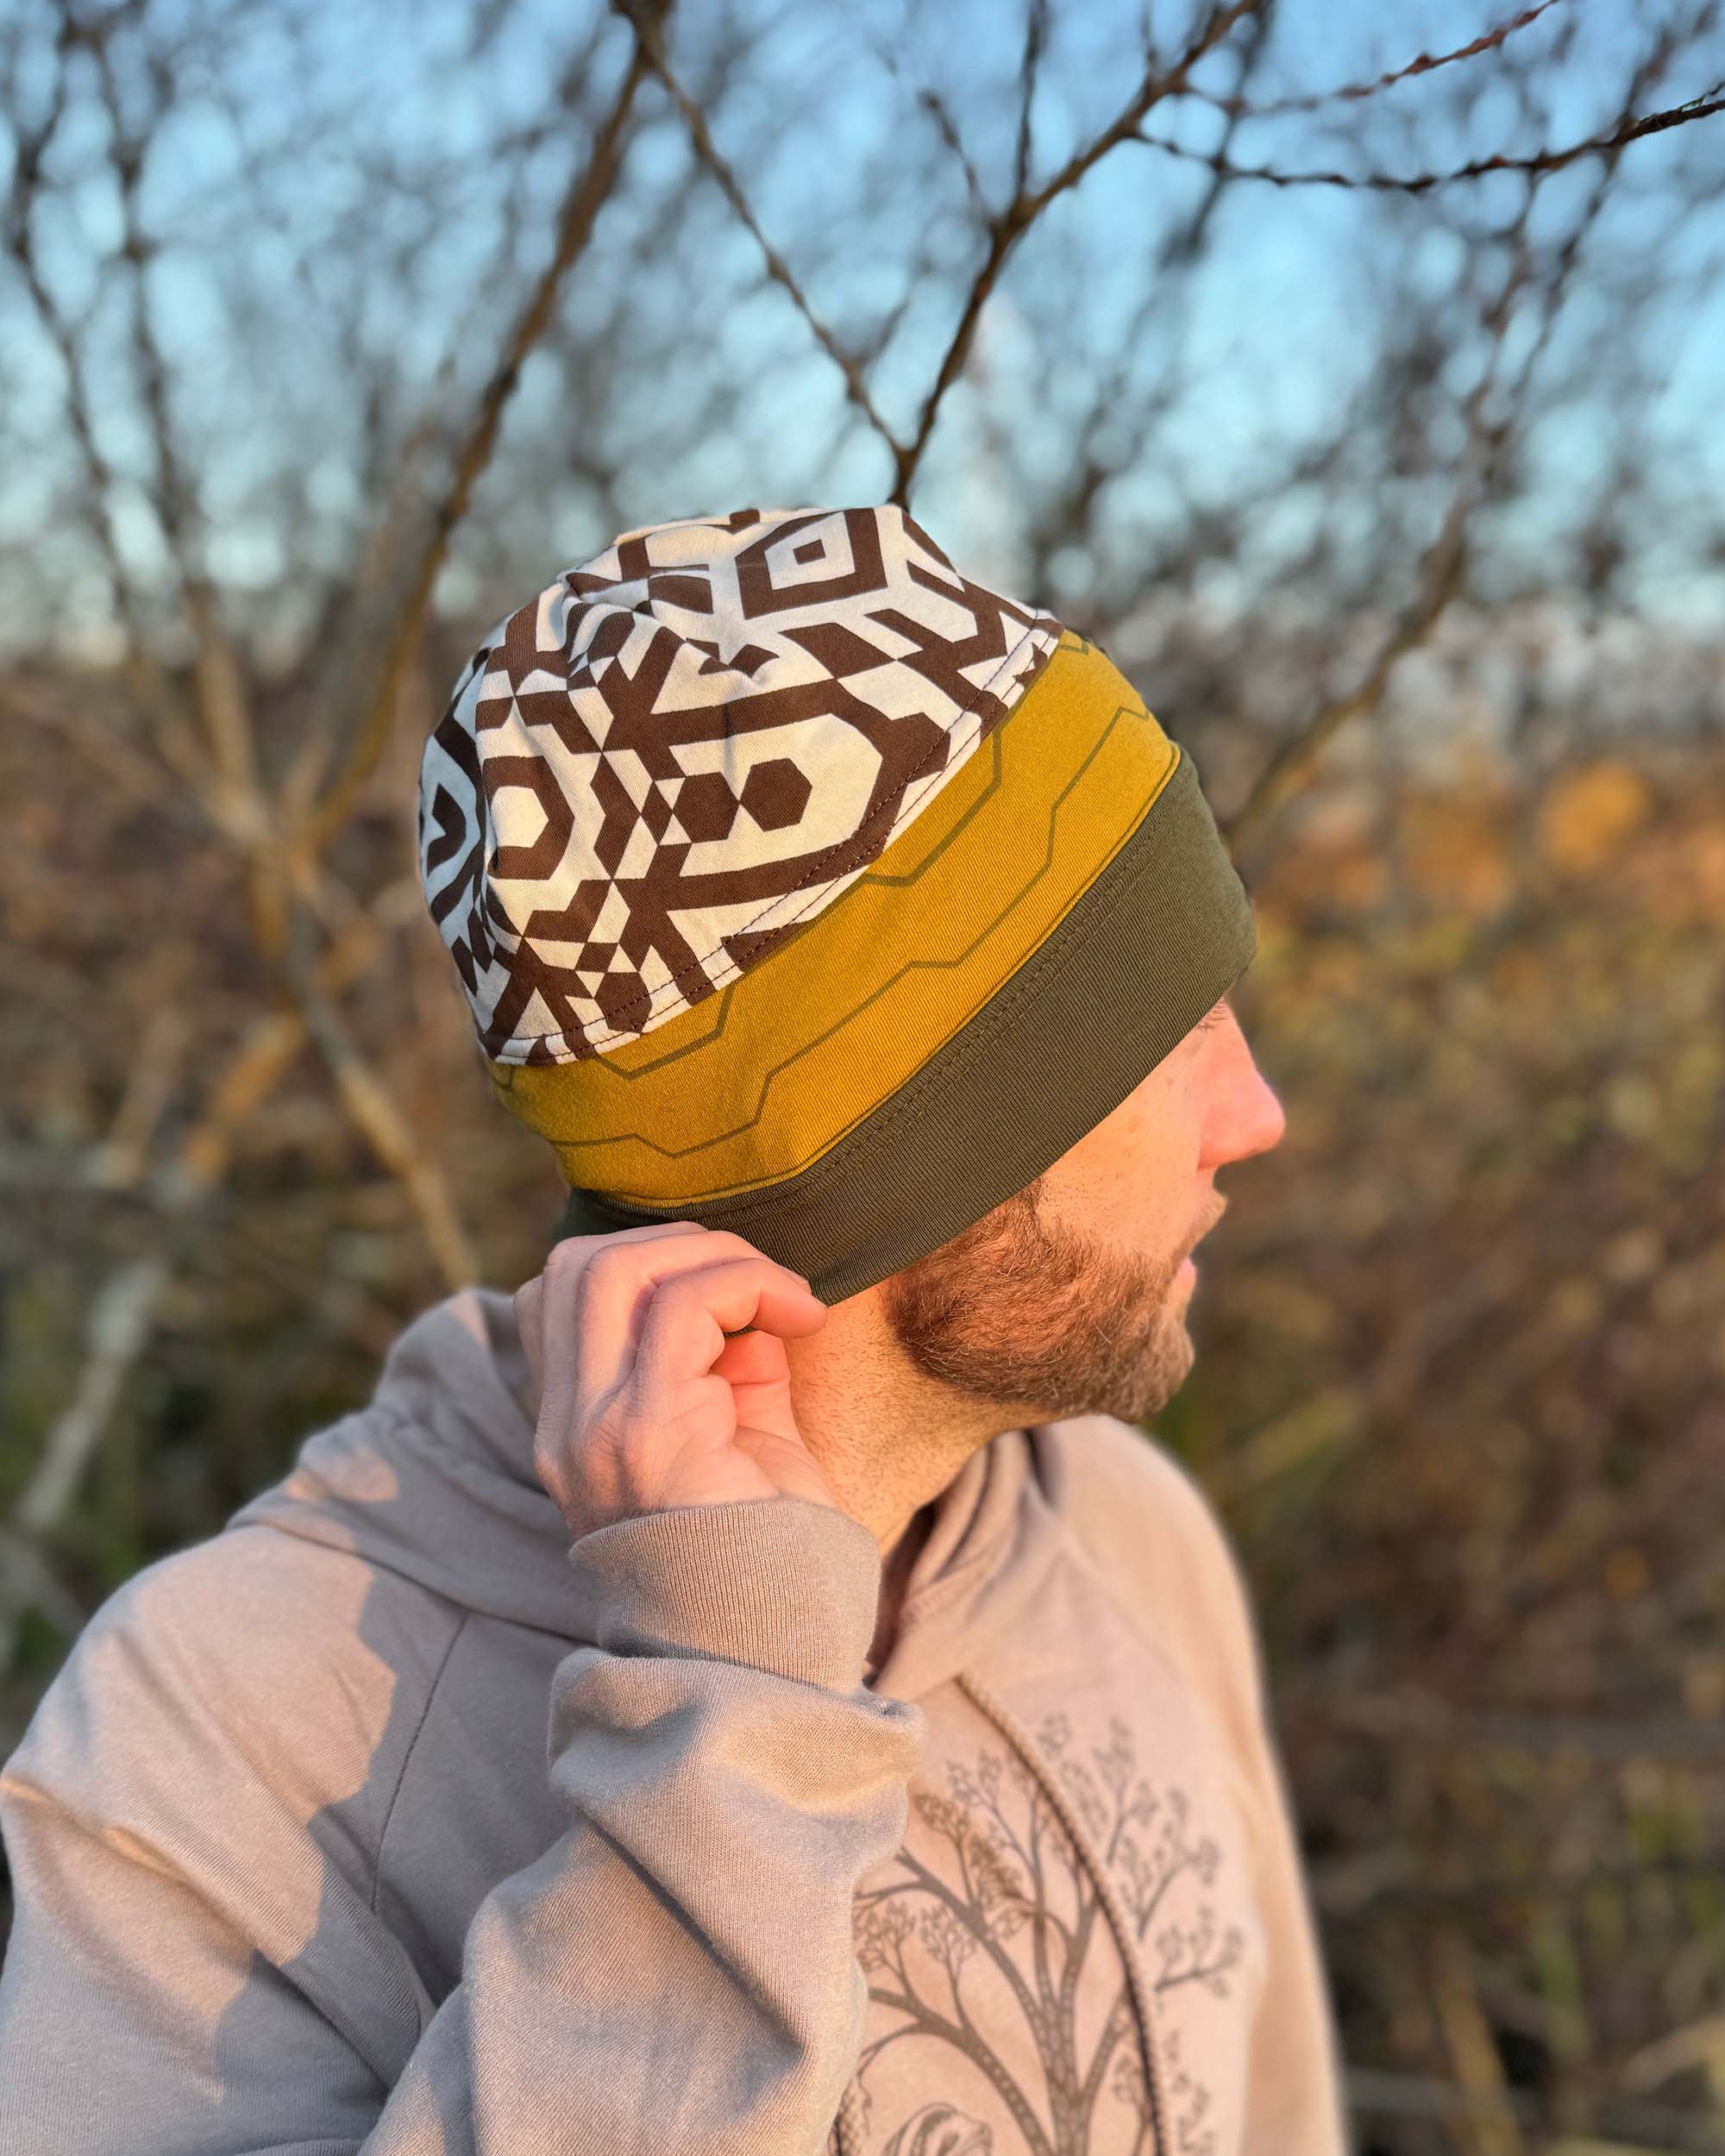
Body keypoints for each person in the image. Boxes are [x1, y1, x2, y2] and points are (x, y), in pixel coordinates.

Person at [0, 505, 1352, 2155]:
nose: (1257, 1112)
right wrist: (727, 1710)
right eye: (1167, 1027)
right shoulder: (214, 1740)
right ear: (904, 1157)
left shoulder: (1126, 1543)